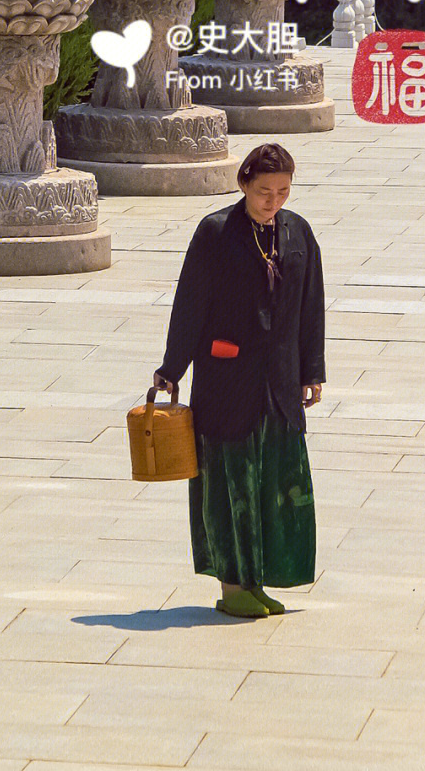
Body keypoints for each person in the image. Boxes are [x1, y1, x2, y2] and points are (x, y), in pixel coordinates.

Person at [154, 143, 325, 618]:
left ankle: (259, 580)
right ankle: (233, 587)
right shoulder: (216, 233)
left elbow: (311, 305)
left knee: (273, 483)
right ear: (244, 184)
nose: (274, 200)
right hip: (227, 382)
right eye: (265, 191)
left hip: (280, 383)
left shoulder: (298, 234)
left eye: (283, 191)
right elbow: (190, 304)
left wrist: (313, 370)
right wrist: (172, 368)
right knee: (233, 486)